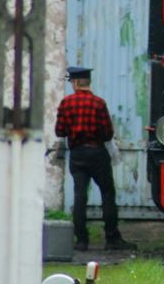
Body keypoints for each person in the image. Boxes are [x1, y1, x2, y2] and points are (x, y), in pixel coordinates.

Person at [54, 66, 135, 251]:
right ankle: (112, 238)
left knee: (79, 196)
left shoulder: (66, 103)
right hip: (97, 153)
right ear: (87, 82)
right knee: (107, 194)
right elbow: (107, 134)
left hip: (77, 155)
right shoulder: (99, 103)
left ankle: (81, 240)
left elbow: (59, 131)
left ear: (75, 83)